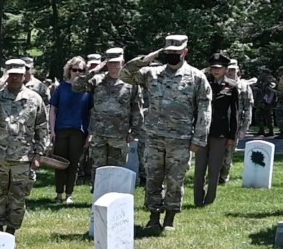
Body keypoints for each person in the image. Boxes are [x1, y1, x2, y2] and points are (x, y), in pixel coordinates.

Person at [120, 34, 211, 230]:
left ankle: (170, 218)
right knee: (153, 178)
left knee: (175, 180)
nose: (172, 55)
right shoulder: (152, 73)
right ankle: (153, 217)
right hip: (153, 136)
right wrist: (147, 58)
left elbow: (205, 108)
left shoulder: (196, 77)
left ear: (185, 52)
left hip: (181, 138)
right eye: (168, 52)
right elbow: (124, 74)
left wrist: (199, 138)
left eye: (176, 53)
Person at [0, 59, 48, 234]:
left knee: (18, 197)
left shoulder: (34, 98)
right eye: (11, 74)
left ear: (24, 76)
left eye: (18, 75)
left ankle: (11, 232)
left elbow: (42, 127)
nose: (15, 78)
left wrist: (38, 154)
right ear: (6, 76)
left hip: (22, 157)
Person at [73, 47, 143, 186]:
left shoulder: (131, 83)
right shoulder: (97, 80)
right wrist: (95, 70)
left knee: (117, 170)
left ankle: (114, 199)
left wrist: (134, 131)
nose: (113, 65)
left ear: (122, 62)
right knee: (98, 170)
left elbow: (136, 109)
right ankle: (98, 198)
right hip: (99, 134)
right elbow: (76, 87)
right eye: (110, 62)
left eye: (116, 62)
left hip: (120, 135)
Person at [193, 53, 237, 206]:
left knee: (214, 167)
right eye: (213, 68)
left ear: (225, 69)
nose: (216, 70)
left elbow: (234, 113)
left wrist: (232, 136)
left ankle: (210, 199)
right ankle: (198, 199)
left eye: (219, 68)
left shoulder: (232, 86)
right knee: (199, 168)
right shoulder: (203, 83)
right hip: (202, 131)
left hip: (220, 131)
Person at [49, 56, 93, 204]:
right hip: (61, 129)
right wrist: (52, 130)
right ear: (69, 70)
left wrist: (90, 133)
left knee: (74, 163)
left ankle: (69, 194)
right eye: (75, 70)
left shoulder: (88, 89)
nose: (78, 73)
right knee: (60, 163)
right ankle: (59, 194)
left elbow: (92, 112)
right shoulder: (61, 88)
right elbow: (53, 109)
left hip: (80, 130)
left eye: (82, 70)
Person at [219, 59, 254, 184]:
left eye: (233, 70)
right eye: (229, 69)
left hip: (236, 125)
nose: (231, 72)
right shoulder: (221, 84)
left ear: (238, 71)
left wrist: (244, 128)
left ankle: (223, 177)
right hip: (221, 125)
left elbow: (248, 109)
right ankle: (215, 175)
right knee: (217, 151)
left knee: (229, 152)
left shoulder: (244, 87)